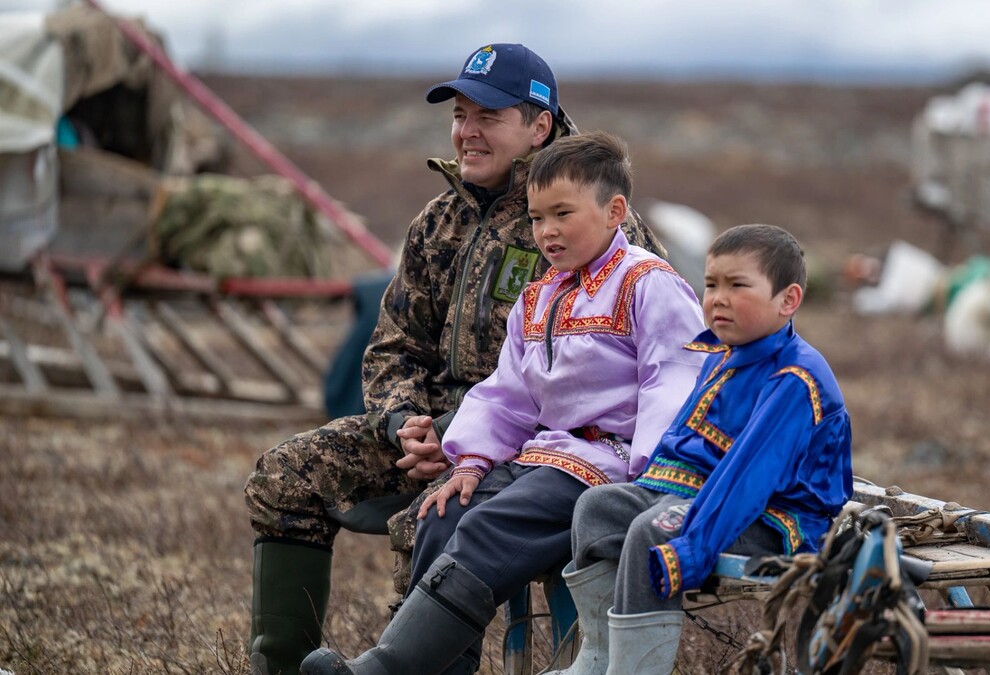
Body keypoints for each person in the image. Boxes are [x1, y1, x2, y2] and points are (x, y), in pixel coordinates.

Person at [243, 44, 666, 675]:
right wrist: (404, 423)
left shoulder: (591, 223)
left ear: (539, 126)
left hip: (532, 447)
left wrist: (455, 436)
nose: (467, 131)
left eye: (488, 117)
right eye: (460, 115)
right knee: (286, 477)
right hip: (426, 434)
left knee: (431, 517)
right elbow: (393, 344)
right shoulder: (438, 222)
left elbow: (619, 374)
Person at [299, 131, 707, 675]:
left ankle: (388, 668)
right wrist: (471, 459)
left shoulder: (648, 283)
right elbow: (507, 393)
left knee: (489, 527)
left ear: (615, 212)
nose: (547, 231)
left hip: (610, 467)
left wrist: (651, 479)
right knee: (442, 515)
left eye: (562, 214)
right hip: (544, 457)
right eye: (537, 218)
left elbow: (674, 380)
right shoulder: (540, 296)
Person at [548, 223, 854, 675]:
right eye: (711, 284)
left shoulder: (793, 379)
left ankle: (634, 670)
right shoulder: (722, 353)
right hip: (700, 492)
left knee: (652, 530)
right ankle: (598, 657)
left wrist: (692, 548)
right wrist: (647, 491)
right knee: (597, 508)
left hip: (774, 518)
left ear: (788, 300)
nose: (718, 299)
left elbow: (745, 479)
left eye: (737, 286)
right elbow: (683, 448)